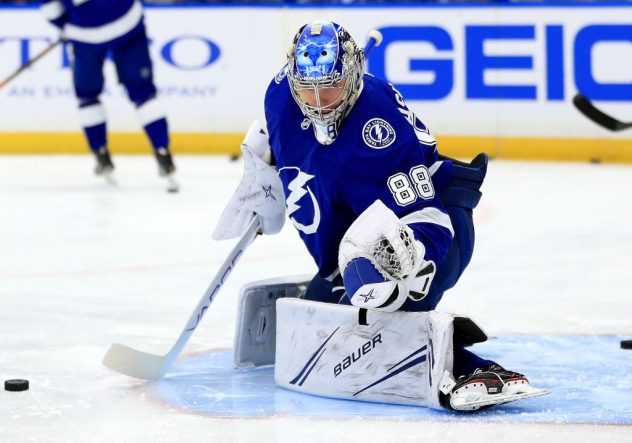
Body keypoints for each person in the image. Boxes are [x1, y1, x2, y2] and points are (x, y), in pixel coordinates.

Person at [214, 21, 545, 411]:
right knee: (332, 314)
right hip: (355, 236)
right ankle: (345, 291)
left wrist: (408, 262)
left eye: (331, 88)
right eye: (308, 89)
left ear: (352, 78)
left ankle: (471, 369)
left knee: (375, 325)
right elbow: (281, 139)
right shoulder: (280, 94)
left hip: (434, 228)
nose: (319, 102)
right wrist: (263, 173)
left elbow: (429, 217)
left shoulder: (380, 127)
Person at [40, 0, 176, 183]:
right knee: (144, 94)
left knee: (87, 96)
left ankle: (101, 155)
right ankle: (163, 153)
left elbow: (51, 10)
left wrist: (66, 26)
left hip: (85, 35)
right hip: (128, 23)